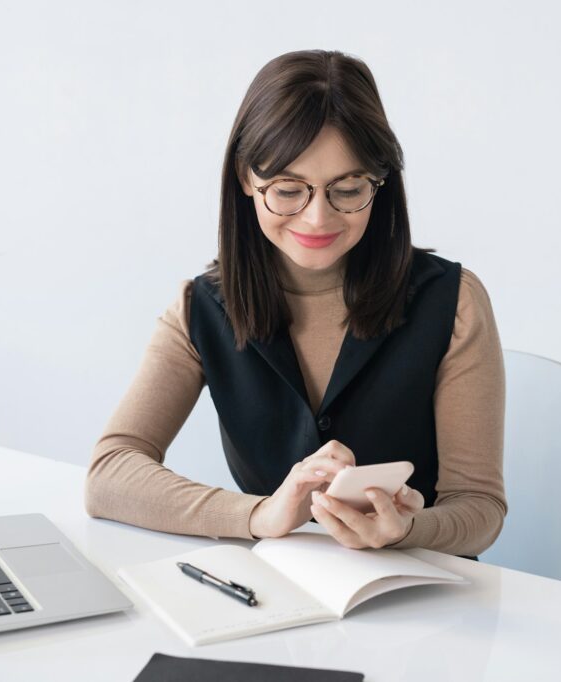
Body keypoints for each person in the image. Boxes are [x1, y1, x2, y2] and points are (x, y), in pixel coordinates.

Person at [85, 49, 506, 561]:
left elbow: (480, 509)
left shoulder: (453, 302)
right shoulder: (200, 308)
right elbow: (110, 473)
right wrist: (258, 514)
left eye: (347, 189)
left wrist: (407, 529)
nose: (316, 219)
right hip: (275, 597)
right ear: (246, 178)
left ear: (380, 181)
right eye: (287, 190)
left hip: (426, 603)